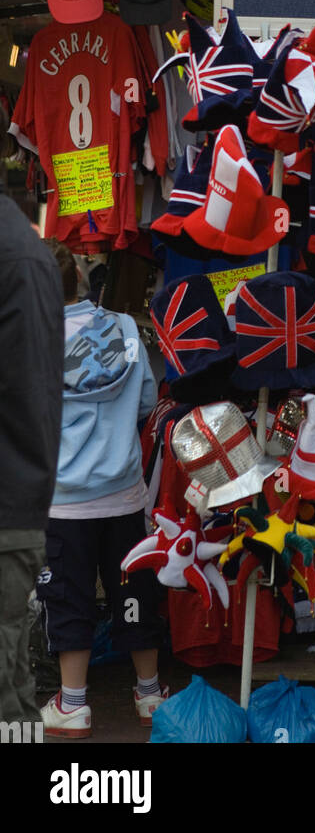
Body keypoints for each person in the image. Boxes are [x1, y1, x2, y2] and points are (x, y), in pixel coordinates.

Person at [38, 241, 166, 738]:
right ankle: (150, 695)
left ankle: (73, 705)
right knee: (134, 591)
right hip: (124, 492)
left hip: (62, 502)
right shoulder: (126, 328)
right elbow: (147, 401)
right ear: (79, 278)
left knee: (68, 598)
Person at [0, 167, 65, 728]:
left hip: (9, 504)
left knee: (9, 696)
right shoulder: (25, 249)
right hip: (19, 500)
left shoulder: (15, 252)